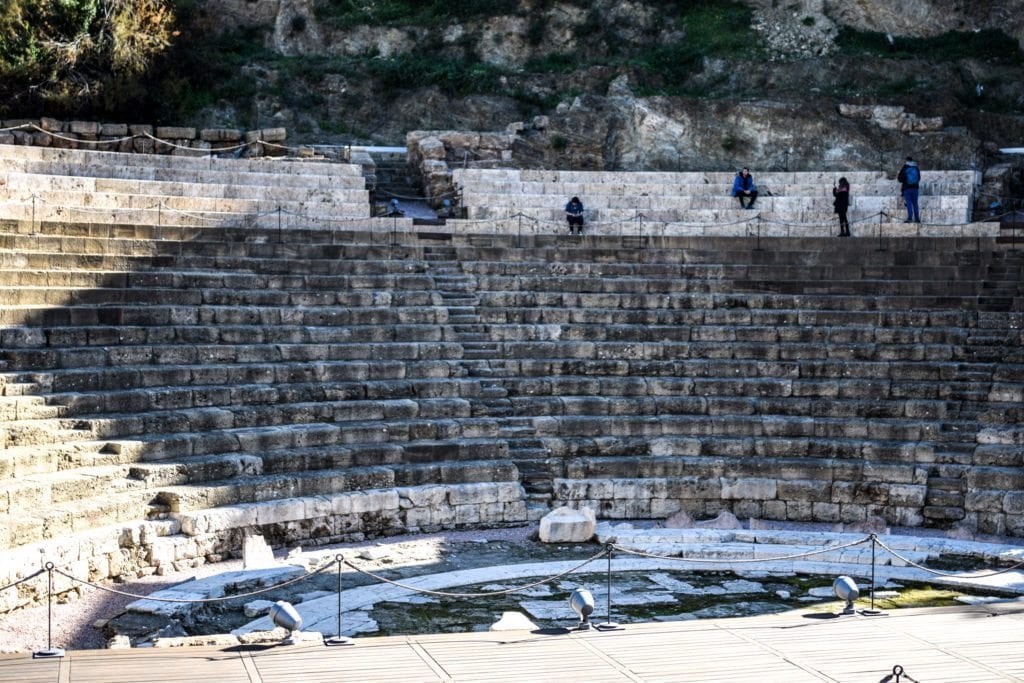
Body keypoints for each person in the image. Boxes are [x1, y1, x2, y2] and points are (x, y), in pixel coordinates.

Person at [897, 156, 921, 223]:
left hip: (907, 188)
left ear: (906, 161)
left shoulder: (905, 168)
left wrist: (905, 180)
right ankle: (917, 218)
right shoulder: (916, 167)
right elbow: (919, 178)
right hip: (915, 188)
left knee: (909, 203)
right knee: (915, 203)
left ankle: (910, 218)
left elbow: (899, 179)